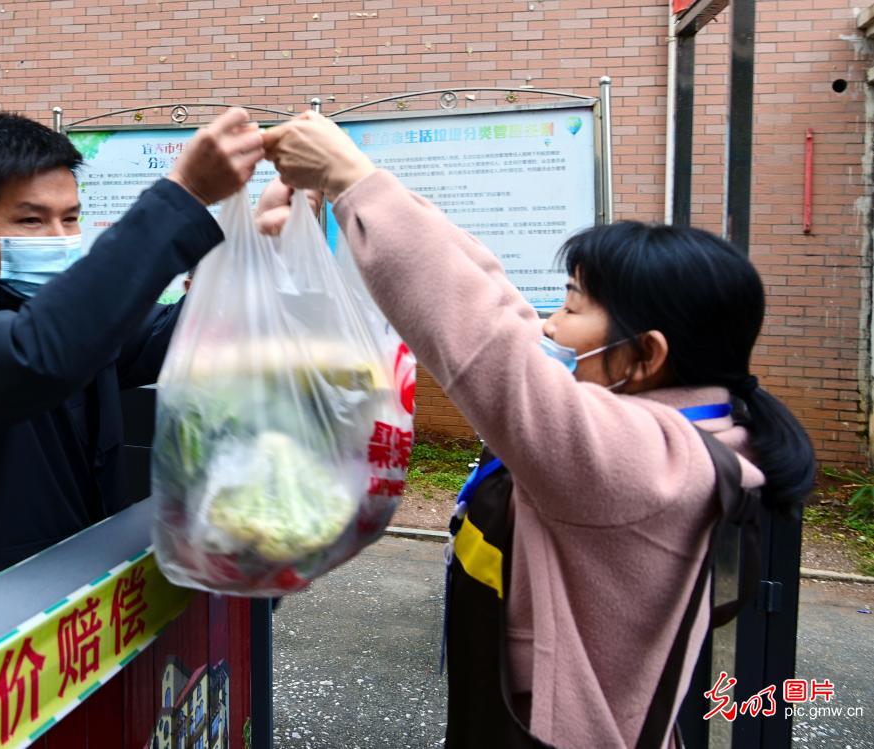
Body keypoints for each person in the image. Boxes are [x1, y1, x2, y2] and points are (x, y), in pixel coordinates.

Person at [258, 112, 814, 748]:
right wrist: (355, 189)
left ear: (646, 355)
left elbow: (485, 337)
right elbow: (501, 309)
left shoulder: (632, 460)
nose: (549, 325)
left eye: (573, 305)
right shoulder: (688, 427)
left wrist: (351, 177)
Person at [0, 109, 263, 619]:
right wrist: (182, 197)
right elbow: (35, 354)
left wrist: (250, 257)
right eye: (32, 219)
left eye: (71, 217)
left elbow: (167, 339)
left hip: (72, 601)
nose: (59, 237)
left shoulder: (53, 307)